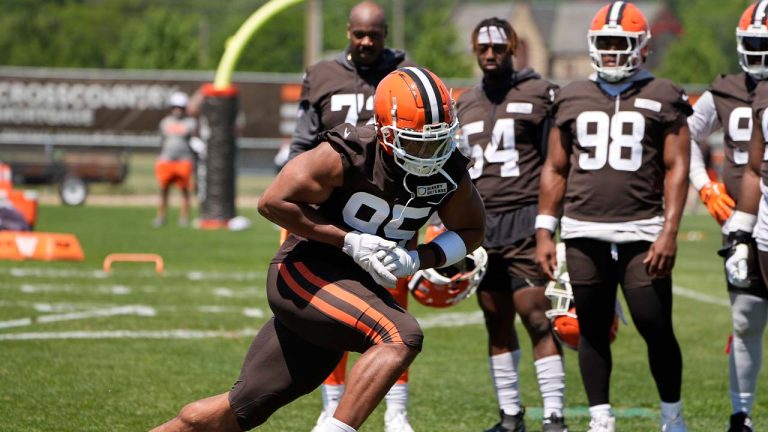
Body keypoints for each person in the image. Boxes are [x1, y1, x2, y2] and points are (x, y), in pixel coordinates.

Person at [150, 66, 485, 432]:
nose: (429, 151)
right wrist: (348, 239)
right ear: (386, 130)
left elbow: (472, 229)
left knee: (240, 410)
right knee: (401, 335)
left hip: (351, 293)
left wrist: (419, 258)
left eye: (437, 139)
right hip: (304, 274)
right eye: (416, 139)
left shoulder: (448, 168)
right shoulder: (349, 153)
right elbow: (272, 201)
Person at [534, 2, 692, 431]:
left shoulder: (663, 94)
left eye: (620, 44)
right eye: (604, 43)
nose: (611, 52)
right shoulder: (571, 95)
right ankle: (600, 418)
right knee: (592, 327)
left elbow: (679, 168)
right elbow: (555, 167)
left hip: (642, 229)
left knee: (655, 326)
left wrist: (670, 231)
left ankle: (672, 418)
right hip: (584, 228)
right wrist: (545, 229)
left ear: (641, 47)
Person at [288, 2, 418, 430]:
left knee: (394, 312)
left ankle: (396, 412)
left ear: (385, 35)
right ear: (348, 31)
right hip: (333, 213)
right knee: (334, 309)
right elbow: (301, 145)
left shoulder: (405, 72)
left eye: (374, 35)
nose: (366, 42)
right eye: (359, 34)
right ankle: (332, 404)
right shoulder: (322, 74)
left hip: (388, 212)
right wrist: (293, 212)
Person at [455, 18, 566, 432]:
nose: (489, 55)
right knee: (495, 319)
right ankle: (511, 416)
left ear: (512, 48)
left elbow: (556, 163)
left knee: (535, 314)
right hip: (482, 226)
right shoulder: (464, 102)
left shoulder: (539, 93)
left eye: (498, 48)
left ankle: (554, 417)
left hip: (525, 218)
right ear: (474, 50)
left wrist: (549, 227)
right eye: (482, 48)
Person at [688, 3, 768, 431]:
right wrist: (705, 184)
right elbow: (684, 137)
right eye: (754, 44)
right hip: (744, 224)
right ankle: (742, 414)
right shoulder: (725, 90)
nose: (760, 54)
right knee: (745, 319)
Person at [154, 91, 197, 228]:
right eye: (175, 107)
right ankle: (161, 217)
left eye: (180, 107)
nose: (177, 110)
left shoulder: (190, 122)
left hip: (183, 160)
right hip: (166, 160)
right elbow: (161, 142)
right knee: (163, 190)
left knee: (184, 191)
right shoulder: (165, 122)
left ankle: (183, 218)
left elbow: (195, 140)